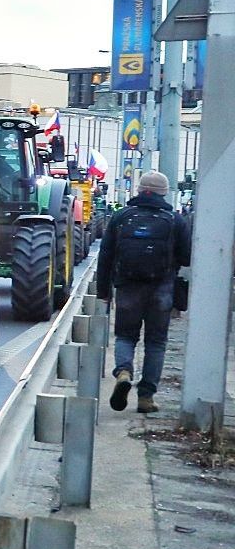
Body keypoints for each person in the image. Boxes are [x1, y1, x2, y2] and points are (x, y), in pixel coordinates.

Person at [96, 169, 190, 414]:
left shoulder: (121, 216)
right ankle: (146, 398)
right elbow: (187, 256)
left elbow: (105, 256)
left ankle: (124, 371)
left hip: (127, 286)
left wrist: (103, 291)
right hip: (162, 288)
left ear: (139, 190)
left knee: (126, 337)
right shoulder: (175, 219)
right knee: (156, 342)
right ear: (164, 193)